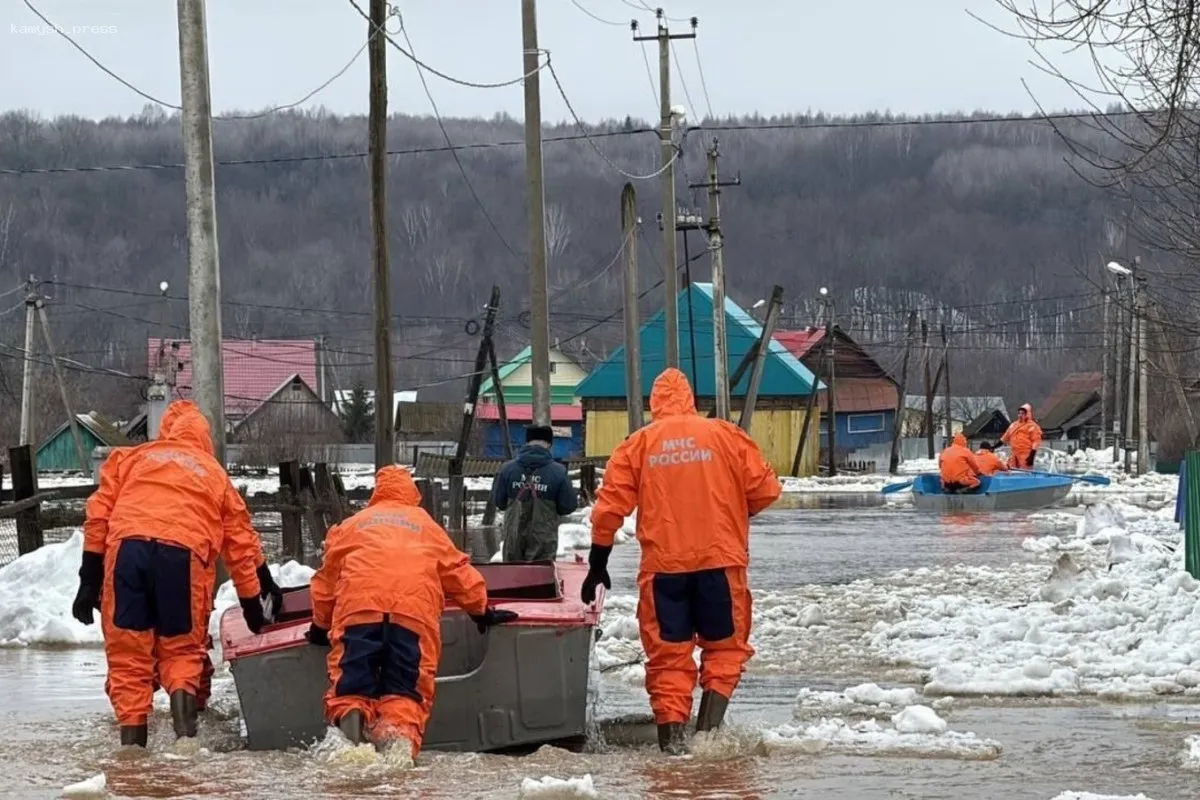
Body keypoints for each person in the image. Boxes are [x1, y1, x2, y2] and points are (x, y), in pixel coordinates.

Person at [580, 368, 782, 754]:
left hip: (663, 572)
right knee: (724, 650)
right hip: (720, 564)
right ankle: (707, 738)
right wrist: (732, 513)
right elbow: (765, 490)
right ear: (691, 399)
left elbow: (608, 511)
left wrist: (597, 562)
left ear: (653, 404)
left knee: (668, 661)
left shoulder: (638, 444)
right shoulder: (726, 436)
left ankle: (672, 750)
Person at [71, 400, 281, 748]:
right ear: (204, 438)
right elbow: (241, 546)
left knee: (128, 662)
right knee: (182, 652)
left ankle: (132, 754)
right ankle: (186, 742)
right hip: (182, 558)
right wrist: (252, 607)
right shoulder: (214, 474)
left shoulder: (132, 459)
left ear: (165, 431)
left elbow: (97, 518)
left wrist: (89, 581)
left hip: (128, 554)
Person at [306, 465, 518, 756]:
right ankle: (398, 753)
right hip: (412, 616)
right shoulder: (427, 526)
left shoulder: (352, 525)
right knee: (405, 691)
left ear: (376, 493)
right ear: (412, 494)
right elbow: (458, 572)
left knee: (351, 681)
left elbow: (325, 582)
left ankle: (351, 724)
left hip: (359, 611)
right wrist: (481, 611)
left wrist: (319, 626)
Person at [491, 425, 579, 562]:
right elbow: (568, 506)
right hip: (543, 546)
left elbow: (500, 503)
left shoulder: (507, 469)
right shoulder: (558, 472)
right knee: (541, 573)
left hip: (513, 544)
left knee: (512, 573)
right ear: (549, 444)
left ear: (527, 442)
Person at [1001, 403, 1043, 469]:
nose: (1020, 415)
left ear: (1027, 414)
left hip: (1026, 454)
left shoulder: (1033, 426)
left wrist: (1031, 456)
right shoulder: (1013, 425)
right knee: (1011, 470)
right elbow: (1005, 437)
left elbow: (1036, 441)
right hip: (1014, 453)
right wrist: (993, 447)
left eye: (1022, 413)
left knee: (1026, 471)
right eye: (1019, 413)